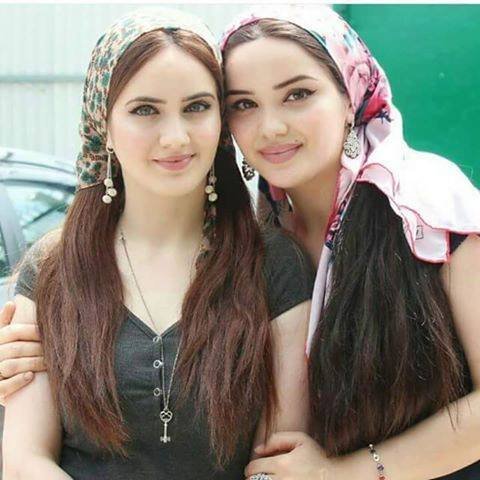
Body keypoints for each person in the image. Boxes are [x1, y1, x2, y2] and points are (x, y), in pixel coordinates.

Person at [0, 8, 314, 479]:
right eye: (145, 110)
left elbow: (278, 462)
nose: (175, 137)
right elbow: (25, 460)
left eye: (196, 107)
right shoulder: (53, 266)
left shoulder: (275, 264)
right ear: (103, 123)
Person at [220, 5, 480, 480]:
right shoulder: (253, 239)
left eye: (297, 94)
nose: (270, 127)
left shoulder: (428, 203)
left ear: (349, 95)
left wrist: (346, 473)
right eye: (243, 104)